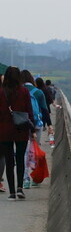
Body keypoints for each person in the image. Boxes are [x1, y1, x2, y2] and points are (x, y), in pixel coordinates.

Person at [0, 66, 33, 199]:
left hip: (4, 131)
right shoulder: (24, 91)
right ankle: (20, 188)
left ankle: (12, 192)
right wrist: (32, 128)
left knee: (9, 161)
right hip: (21, 130)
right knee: (20, 159)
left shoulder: (1, 93)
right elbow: (29, 111)